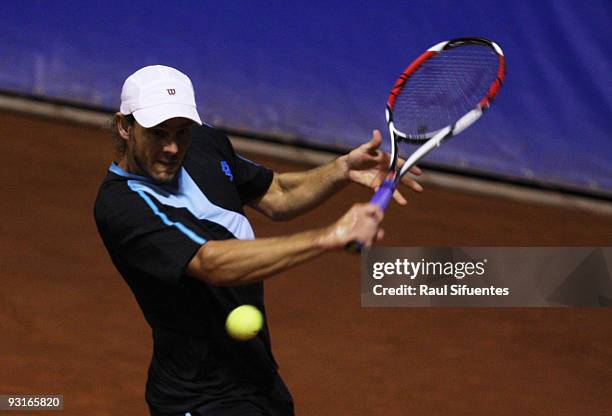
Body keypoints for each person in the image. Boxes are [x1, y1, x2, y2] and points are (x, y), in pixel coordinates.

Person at [94, 65, 422, 416]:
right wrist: (328, 236)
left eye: (181, 131)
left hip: (257, 379)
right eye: (158, 133)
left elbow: (277, 194)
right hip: (200, 398)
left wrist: (341, 170)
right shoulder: (121, 206)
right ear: (125, 127)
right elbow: (211, 263)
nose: (173, 147)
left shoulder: (204, 143)